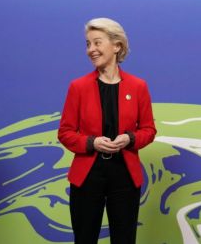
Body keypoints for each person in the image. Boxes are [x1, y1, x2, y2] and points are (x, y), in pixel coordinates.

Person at [58, 18, 156, 244]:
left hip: (124, 176)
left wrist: (129, 138)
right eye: (88, 44)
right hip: (88, 176)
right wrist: (92, 143)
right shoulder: (78, 87)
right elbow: (65, 133)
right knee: (84, 239)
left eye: (97, 43)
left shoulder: (138, 86)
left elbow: (149, 130)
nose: (91, 50)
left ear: (117, 46)